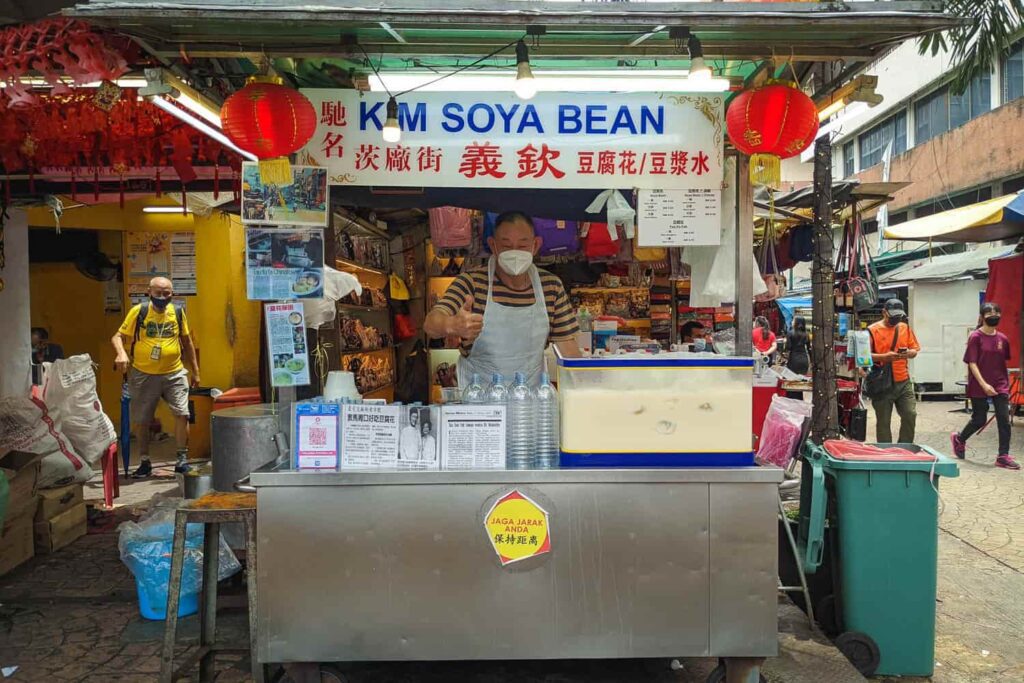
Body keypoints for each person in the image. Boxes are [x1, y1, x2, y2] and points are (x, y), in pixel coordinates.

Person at [423, 211, 581, 386]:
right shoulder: (471, 283)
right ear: (493, 245)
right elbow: (431, 324)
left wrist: (582, 387)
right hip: (478, 404)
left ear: (535, 245)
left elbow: (568, 349)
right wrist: (452, 325)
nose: (515, 252)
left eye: (522, 246)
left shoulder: (551, 287)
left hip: (529, 403)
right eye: (506, 246)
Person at [112, 277, 200, 477]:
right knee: (142, 420)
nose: (162, 297)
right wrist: (121, 353)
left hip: (174, 372)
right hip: (144, 374)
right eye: (158, 293)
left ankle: (181, 459)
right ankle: (144, 461)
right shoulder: (139, 311)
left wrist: (195, 371)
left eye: (167, 293)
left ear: (172, 294)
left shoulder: (177, 312)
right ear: (149, 292)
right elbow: (117, 336)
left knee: (182, 414)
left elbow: (186, 342)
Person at [951, 303, 1019, 470]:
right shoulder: (975, 337)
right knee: (979, 419)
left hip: (1000, 383)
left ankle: (1003, 455)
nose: (993, 315)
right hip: (979, 383)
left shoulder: (1003, 339)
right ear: (982, 317)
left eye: (996, 312)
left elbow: (1003, 361)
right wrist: (984, 384)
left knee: (1004, 419)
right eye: (989, 312)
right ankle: (960, 439)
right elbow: (972, 363)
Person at [868, 298, 920, 443]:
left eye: (899, 316)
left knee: (910, 414)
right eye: (893, 316)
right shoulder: (872, 330)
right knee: (884, 422)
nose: (896, 319)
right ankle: (886, 453)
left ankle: (905, 447)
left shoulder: (904, 328)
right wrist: (884, 357)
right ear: (884, 312)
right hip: (882, 382)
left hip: (903, 380)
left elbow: (915, 350)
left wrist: (909, 353)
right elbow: (864, 357)